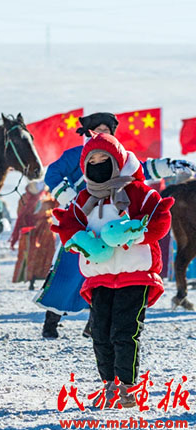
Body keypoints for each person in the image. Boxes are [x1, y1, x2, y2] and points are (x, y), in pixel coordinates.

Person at [37, 112, 194, 338]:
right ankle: (50, 322)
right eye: (98, 131)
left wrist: (168, 165)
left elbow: (140, 168)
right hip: (82, 223)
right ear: (89, 133)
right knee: (67, 274)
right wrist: (70, 198)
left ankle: (94, 325)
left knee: (103, 277)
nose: (102, 135)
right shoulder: (76, 156)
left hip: (109, 223)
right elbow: (53, 173)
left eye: (106, 131)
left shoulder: (116, 157)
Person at [51, 132, 173, 407]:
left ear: (117, 160)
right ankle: (109, 384)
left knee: (125, 330)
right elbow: (68, 225)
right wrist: (80, 241)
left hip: (136, 273)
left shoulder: (138, 191)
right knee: (100, 332)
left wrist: (134, 234)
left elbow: (161, 217)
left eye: (103, 158)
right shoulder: (83, 197)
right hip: (99, 276)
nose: (98, 164)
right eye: (91, 160)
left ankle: (128, 386)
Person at [10, 181, 57, 291]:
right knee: (31, 255)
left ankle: (45, 280)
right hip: (31, 231)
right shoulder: (25, 198)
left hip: (46, 231)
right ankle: (31, 279)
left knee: (47, 255)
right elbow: (20, 214)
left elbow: (56, 207)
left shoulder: (48, 197)